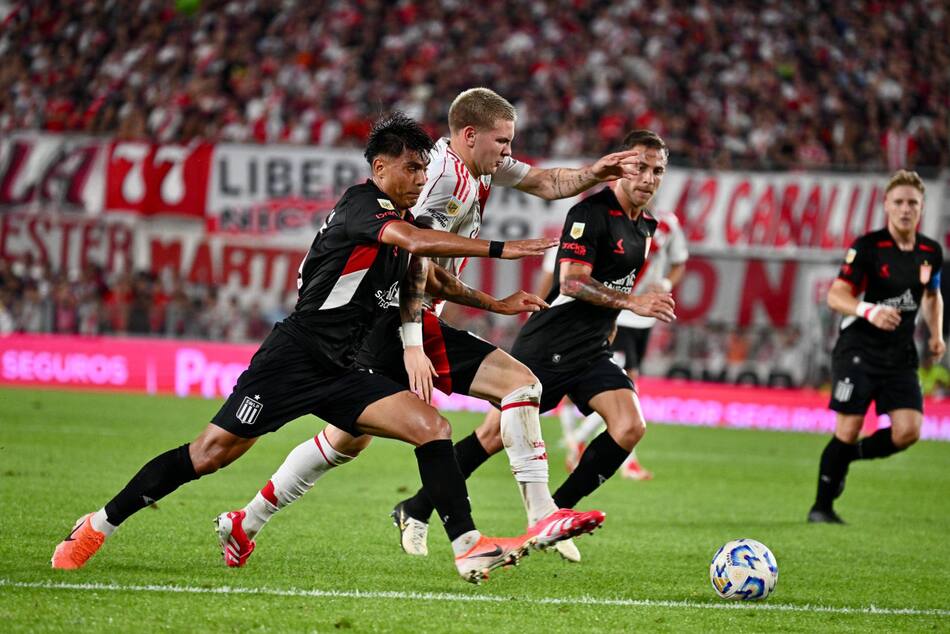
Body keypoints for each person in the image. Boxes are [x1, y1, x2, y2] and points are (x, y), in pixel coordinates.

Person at [50, 112, 557, 584]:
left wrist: (496, 303)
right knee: (209, 455)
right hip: (294, 357)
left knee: (432, 427)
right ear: (380, 168)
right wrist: (501, 249)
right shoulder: (363, 206)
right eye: (411, 168)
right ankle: (98, 524)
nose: (421, 179)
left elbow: (430, 276)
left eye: (425, 168)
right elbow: (416, 244)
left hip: (344, 368)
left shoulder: (409, 225)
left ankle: (468, 545)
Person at [215, 87, 643, 567]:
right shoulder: (441, 179)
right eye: (502, 141)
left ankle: (246, 521)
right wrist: (414, 341)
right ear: (469, 135)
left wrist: (594, 173)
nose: (508, 151)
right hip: (400, 321)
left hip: (388, 325)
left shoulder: (481, 167)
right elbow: (412, 256)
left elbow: (546, 183)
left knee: (345, 440)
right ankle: (541, 512)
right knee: (521, 384)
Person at [392, 129, 676, 559]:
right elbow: (573, 282)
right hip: (553, 342)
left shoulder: (647, 226)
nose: (648, 178)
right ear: (620, 166)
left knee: (630, 425)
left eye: (657, 170)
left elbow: (618, 279)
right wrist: (634, 303)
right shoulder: (589, 214)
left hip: (593, 347)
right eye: (639, 166)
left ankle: (555, 514)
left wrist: (614, 318)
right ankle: (414, 507)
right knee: (492, 436)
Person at [807, 169, 944, 524]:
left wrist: (935, 334)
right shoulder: (867, 247)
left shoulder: (930, 252)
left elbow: (931, 295)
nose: (905, 209)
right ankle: (821, 508)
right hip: (859, 349)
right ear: (886, 205)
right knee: (848, 428)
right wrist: (870, 310)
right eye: (898, 202)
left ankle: (848, 456)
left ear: (922, 207)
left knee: (908, 431)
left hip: (900, 354)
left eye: (912, 203)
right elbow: (837, 295)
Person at [564, 208, 688, 479]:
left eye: (654, 173)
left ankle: (587, 442)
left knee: (629, 390)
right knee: (623, 387)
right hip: (618, 313)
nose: (646, 183)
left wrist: (665, 282)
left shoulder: (665, 224)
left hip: (645, 316)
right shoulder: (605, 220)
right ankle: (586, 442)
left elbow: (679, 262)